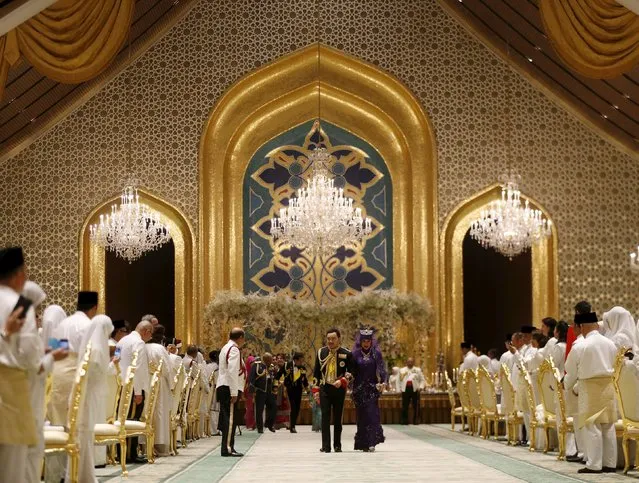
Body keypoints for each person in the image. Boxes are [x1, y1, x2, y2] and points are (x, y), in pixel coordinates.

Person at [564, 311, 618, 474]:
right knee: (608, 425)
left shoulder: (581, 345)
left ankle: (594, 464)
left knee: (591, 424)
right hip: (608, 386)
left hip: (589, 387)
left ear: (581, 326)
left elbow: (570, 370)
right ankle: (610, 463)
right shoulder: (610, 344)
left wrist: (567, 385)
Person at [74, 314, 113, 483]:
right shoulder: (96, 349)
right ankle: (93, 462)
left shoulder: (95, 347)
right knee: (89, 427)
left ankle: (94, 461)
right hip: (91, 394)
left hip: (95, 393)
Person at [50, 291, 99, 425]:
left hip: (56, 373)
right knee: (75, 422)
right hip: (74, 374)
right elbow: (91, 355)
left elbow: (53, 346)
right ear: (94, 308)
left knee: (58, 421)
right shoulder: (88, 325)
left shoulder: (63, 323)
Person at [117, 320, 153, 463]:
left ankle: (121, 453)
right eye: (151, 334)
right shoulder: (139, 343)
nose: (150, 337)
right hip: (132, 388)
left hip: (120, 385)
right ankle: (130, 454)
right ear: (146, 331)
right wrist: (138, 392)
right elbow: (138, 368)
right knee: (131, 420)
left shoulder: (121, 341)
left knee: (121, 420)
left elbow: (116, 360)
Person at [313, 327, 353, 453]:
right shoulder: (321, 353)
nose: (330, 341)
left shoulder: (346, 353)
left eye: (333, 339)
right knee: (325, 417)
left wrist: (342, 381)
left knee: (337, 418)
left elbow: (351, 373)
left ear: (338, 339)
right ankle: (326, 446)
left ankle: (337, 445)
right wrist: (316, 391)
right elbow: (316, 374)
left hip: (339, 390)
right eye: (328, 339)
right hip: (325, 388)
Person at [352, 328, 386, 452]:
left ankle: (372, 441)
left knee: (372, 415)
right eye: (364, 341)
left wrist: (383, 382)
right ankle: (363, 443)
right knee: (362, 417)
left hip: (372, 389)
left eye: (368, 341)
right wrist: (349, 377)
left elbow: (382, 370)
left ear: (371, 341)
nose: (366, 343)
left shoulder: (376, 354)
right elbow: (352, 371)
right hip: (359, 390)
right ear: (360, 341)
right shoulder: (355, 354)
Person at [216, 327, 246, 457]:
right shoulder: (233, 349)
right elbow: (232, 371)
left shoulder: (226, 347)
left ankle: (228, 446)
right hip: (229, 386)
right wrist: (234, 392)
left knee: (228, 418)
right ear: (240, 337)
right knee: (230, 419)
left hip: (225, 385)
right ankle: (227, 448)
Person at [146, 324, 171, 457]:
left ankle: (144, 443)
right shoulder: (160, 349)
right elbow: (167, 369)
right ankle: (159, 443)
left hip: (145, 382)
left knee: (147, 412)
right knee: (159, 412)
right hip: (159, 383)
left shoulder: (142, 347)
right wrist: (171, 385)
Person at [278, 351, 309, 433]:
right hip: (289, 389)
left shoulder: (302, 368)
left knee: (297, 408)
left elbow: (304, 380)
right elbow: (278, 375)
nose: (302, 362)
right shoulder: (286, 365)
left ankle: (292, 425)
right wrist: (275, 386)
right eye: (300, 360)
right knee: (293, 407)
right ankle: (292, 427)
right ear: (295, 360)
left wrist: (308, 391)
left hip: (299, 390)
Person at [249, 353, 277, 433]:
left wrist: (275, 388)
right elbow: (251, 378)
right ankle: (260, 428)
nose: (271, 361)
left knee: (274, 407)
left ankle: (269, 424)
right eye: (270, 360)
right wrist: (252, 391)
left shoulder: (271, 367)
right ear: (265, 360)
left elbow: (275, 377)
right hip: (260, 391)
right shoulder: (257, 365)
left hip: (269, 391)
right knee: (259, 410)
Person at [399, 357, 424, 425]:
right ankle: (404, 421)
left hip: (415, 389)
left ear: (413, 362)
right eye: (408, 361)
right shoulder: (402, 370)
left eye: (411, 361)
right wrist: (399, 389)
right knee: (405, 406)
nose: (410, 363)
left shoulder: (417, 370)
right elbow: (399, 380)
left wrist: (421, 387)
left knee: (415, 405)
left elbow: (422, 379)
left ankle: (416, 421)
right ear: (406, 362)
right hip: (405, 389)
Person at [274, 353, 291, 430]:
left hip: (286, 389)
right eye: (278, 358)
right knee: (278, 406)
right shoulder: (274, 369)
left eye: (281, 358)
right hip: (277, 390)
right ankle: (278, 424)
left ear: (284, 360)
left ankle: (287, 423)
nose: (279, 360)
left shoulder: (288, 368)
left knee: (286, 405)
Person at [208, 351, 220, 435]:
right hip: (215, 389)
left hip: (207, 390)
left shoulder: (207, 366)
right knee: (215, 409)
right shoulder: (218, 368)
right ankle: (214, 429)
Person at [244, 354, 257, 431]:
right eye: (251, 363)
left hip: (255, 391)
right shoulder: (246, 373)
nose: (253, 364)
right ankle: (250, 424)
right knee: (250, 408)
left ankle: (255, 423)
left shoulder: (255, 371)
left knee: (255, 408)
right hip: (249, 392)